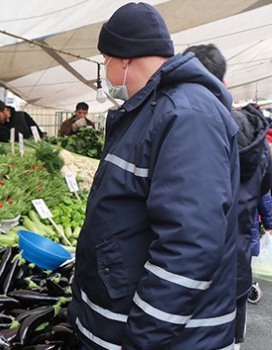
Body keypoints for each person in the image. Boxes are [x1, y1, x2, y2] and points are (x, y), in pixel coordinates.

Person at [69, 3, 239, 349]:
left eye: (106, 60)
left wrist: (142, 338)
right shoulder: (153, 109)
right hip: (124, 320)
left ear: (125, 59)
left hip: (173, 338)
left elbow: (189, 246)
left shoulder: (187, 116)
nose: (106, 69)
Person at [184, 44, 272, 349]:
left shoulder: (188, 125)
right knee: (232, 338)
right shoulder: (255, 135)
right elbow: (263, 189)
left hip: (193, 269)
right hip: (237, 260)